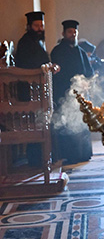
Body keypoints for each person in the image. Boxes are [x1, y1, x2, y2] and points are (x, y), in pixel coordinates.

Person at [14, 11, 59, 166]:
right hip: (29, 92)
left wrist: (51, 67)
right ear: (29, 26)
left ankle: (45, 158)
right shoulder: (25, 43)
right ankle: (36, 160)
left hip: (38, 90)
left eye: (42, 25)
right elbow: (27, 67)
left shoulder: (37, 42)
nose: (40, 29)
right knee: (36, 126)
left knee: (43, 124)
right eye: (36, 26)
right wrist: (46, 68)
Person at [51, 20, 94, 165]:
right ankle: (70, 155)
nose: (73, 34)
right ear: (63, 33)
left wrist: (87, 84)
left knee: (82, 123)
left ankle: (84, 154)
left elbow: (89, 72)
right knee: (68, 125)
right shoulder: (57, 51)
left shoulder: (81, 51)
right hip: (64, 94)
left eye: (75, 32)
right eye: (70, 32)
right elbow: (57, 75)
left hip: (80, 94)